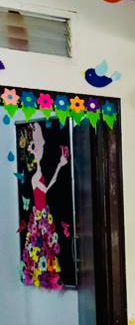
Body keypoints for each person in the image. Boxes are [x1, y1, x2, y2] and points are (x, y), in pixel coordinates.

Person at [20, 123, 70, 289]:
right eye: (38, 144)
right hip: (40, 217)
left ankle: (48, 276)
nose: (42, 146)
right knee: (41, 249)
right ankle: (41, 276)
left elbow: (50, 185)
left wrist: (60, 165)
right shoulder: (35, 176)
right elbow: (47, 188)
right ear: (32, 149)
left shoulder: (39, 172)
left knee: (46, 250)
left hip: (42, 216)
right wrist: (59, 166)